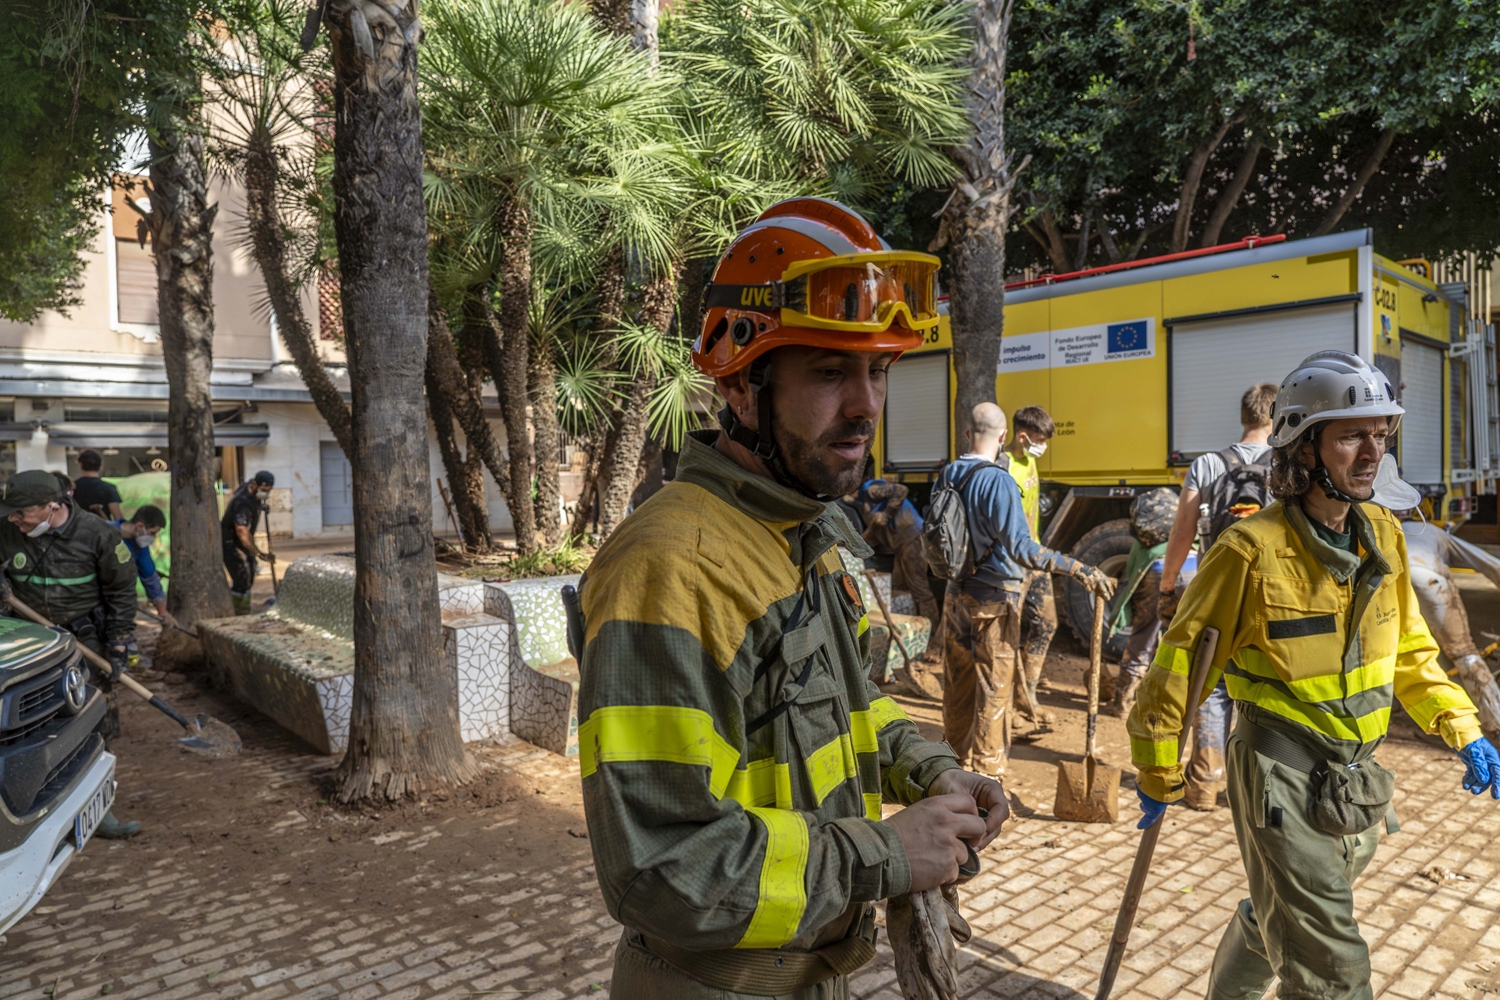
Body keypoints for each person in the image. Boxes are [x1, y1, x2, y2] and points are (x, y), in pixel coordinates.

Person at [577, 198, 1008, 999]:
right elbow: (661, 868)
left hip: (807, 975)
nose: (866, 405)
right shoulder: (672, 568)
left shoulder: (801, 534)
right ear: (743, 386)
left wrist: (931, 772)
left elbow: (847, 707)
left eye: (877, 370)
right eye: (828, 371)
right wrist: (885, 853)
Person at [1129, 351, 1500, 1000]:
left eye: (1380, 434)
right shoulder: (1249, 551)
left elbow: (1409, 652)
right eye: (1351, 434)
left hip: (1356, 782)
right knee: (1333, 973)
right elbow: (1176, 668)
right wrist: (1159, 771)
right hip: (1280, 776)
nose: (1371, 452)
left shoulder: (1384, 534)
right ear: (1304, 449)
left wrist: (1461, 728)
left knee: (1276, 914)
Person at [938, 403, 1115, 776]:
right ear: (1004, 437)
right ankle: (987, 781)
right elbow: (1022, 548)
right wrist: (1077, 568)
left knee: (957, 691)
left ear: (968, 434)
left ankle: (949, 773)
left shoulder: (948, 473)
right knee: (993, 695)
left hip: (954, 598)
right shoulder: (999, 480)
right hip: (995, 601)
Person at [1134, 382, 1276, 809]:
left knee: (1211, 686)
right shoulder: (1287, 464)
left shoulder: (1208, 464)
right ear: (1275, 417)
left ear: (1244, 416)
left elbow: (1182, 532)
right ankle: (1251, 786)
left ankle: (1202, 785)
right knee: (1260, 685)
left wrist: (1168, 584)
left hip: (1217, 593)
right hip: (1270, 597)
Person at [0, 470, 143, 838]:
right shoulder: (7, 529)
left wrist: (119, 642)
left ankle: (100, 808)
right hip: (30, 646)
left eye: (21, 513)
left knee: (92, 726)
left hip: (84, 643)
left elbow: (122, 593)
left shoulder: (98, 535)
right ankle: (40, 810)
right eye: (11, 513)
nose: (14, 519)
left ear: (52, 507)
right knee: (37, 731)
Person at [1003, 405, 1058, 712]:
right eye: (1039, 439)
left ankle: (1028, 693)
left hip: (1034, 558)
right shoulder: (1005, 466)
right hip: (1013, 563)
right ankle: (1009, 698)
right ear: (1022, 436)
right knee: (1009, 632)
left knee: (1047, 623)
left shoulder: (1029, 462)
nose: (1044, 446)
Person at [221, 471, 275, 615]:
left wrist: (260, 507)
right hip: (230, 542)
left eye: (268, 491)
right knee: (242, 576)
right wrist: (259, 553)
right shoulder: (243, 503)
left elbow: (255, 502)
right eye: (263, 491)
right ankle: (237, 611)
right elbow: (242, 531)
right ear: (255, 485)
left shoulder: (249, 487)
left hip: (240, 543)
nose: (265, 494)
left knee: (251, 567)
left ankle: (243, 606)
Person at [114, 504, 173, 627]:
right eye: (151, 533)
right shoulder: (103, 532)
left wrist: (162, 611)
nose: (152, 537)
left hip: (119, 603)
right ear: (140, 526)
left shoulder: (140, 549)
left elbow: (150, 577)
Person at [73, 449, 123, 520]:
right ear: (101, 466)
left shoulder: (72, 488)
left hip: (78, 529)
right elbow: (118, 518)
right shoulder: (109, 488)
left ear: (80, 465)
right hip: (103, 529)